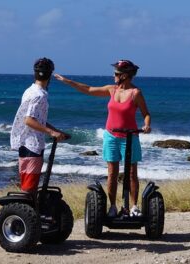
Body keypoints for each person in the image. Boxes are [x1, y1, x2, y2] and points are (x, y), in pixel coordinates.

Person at [54, 59, 151, 217]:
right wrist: (68, 81)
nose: (114, 75)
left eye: (117, 73)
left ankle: (134, 206)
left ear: (125, 76)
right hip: (111, 136)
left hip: (130, 136)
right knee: (112, 173)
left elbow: (146, 114)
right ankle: (112, 207)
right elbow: (89, 89)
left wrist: (146, 125)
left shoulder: (135, 93)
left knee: (132, 173)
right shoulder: (111, 90)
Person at [10, 57, 69, 197]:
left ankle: (27, 215)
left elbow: (38, 119)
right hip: (32, 145)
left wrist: (56, 131)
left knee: (27, 185)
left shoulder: (30, 91)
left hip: (25, 143)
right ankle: (27, 216)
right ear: (50, 75)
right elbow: (29, 120)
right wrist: (50, 132)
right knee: (29, 188)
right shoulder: (39, 95)